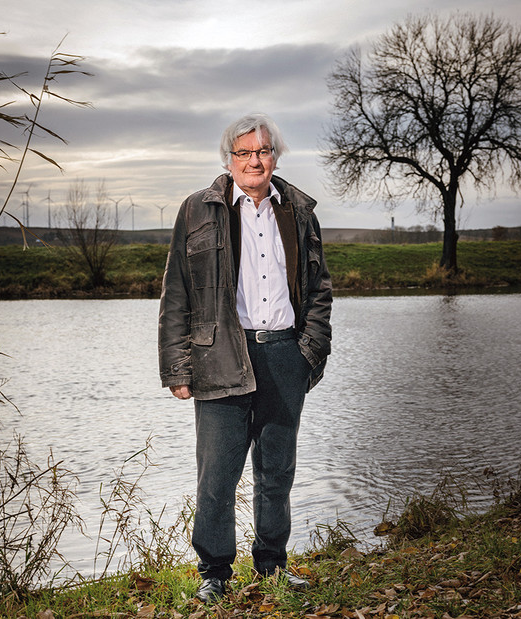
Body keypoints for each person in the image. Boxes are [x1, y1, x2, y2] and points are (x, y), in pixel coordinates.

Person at [157, 113, 332, 604]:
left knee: (276, 472)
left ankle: (272, 566)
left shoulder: (298, 210)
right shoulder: (198, 210)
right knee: (217, 476)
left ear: (275, 156)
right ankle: (214, 572)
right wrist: (177, 368)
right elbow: (176, 294)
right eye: (244, 153)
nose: (255, 161)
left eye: (263, 152)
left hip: (283, 354)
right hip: (220, 358)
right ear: (228, 159)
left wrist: (309, 353)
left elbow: (319, 290)